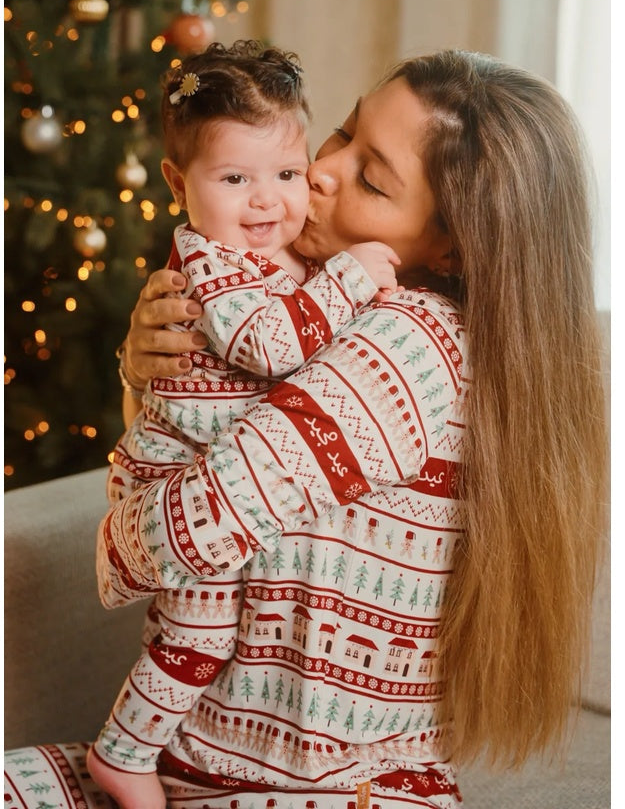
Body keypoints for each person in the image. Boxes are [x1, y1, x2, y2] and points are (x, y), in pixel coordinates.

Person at [86, 41, 400, 809]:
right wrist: (352, 275)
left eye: (285, 174)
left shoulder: (291, 256)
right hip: (179, 477)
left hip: (224, 487)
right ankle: (123, 753)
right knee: (197, 633)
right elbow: (268, 343)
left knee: (211, 633)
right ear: (177, 183)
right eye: (235, 179)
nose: (268, 202)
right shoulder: (212, 263)